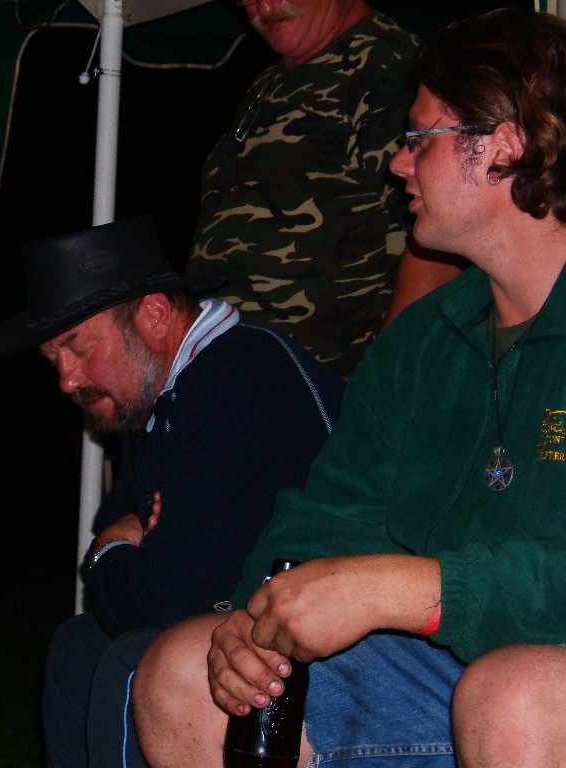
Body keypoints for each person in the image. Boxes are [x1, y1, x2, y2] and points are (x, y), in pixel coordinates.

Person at [133, 8, 566, 767]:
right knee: (184, 673)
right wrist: (252, 617)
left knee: (512, 698)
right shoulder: (426, 343)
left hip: (531, 677)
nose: (398, 164)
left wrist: (405, 590)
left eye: (420, 138)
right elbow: (332, 513)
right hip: (451, 666)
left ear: (503, 147)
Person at [0, 216, 342, 767]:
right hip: (233, 624)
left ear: (153, 314)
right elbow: (119, 518)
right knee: (77, 647)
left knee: (130, 658)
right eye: (54, 360)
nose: (67, 379)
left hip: (328, 649)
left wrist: (113, 550)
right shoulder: (157, 396)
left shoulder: (243, 382)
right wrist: (123, 543)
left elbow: (164, 598)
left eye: (78, 347)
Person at [187, 0, 463, 378]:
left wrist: (377, 385)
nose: (264, 7)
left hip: (328, 386)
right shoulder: (268, 81)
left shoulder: (389, 68)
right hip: (242, 381)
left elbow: (442, 239)